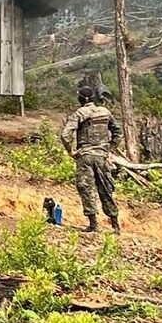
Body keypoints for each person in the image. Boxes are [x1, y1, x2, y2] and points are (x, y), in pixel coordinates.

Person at [59, 86, 122, 234]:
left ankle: (93, 224)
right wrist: (110, 148)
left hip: (85, 156)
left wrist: (71, 151)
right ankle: (115, 225)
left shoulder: (79, 113)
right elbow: (117, 132)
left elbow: (65, 135)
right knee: (106, 189)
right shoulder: (105, 112)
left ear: (80, 98)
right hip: (102, 156)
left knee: (86, 188)